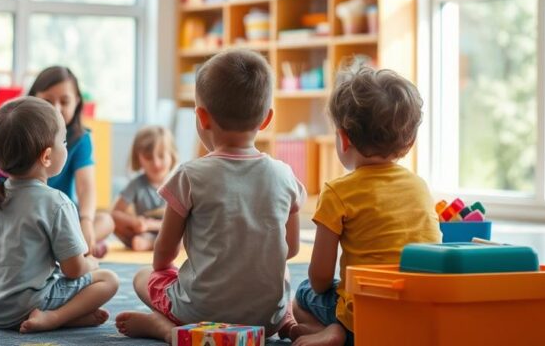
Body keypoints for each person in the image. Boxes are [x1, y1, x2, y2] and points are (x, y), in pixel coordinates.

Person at [116, 49, 305, 342]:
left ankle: (165, 328)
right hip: (265, 319)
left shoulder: (189, 175)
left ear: (202, 117)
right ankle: (288, 321)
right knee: (283, 274)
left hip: (197, 316)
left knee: (144, 276)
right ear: (266, 119)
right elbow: (290, 249)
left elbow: (163, 258)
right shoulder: (285, 175)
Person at [0, 97, 119, 333]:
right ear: (47, 156)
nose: (66, 146)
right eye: (63, 141)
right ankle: (56, 318)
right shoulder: (57, 203)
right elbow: (72, 269)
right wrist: (90, 263)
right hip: (28, 306)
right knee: (107, 279)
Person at [291, 66, 440, 346]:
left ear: (344, 138)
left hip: (363, 314)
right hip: (417, 314)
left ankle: (337, 332)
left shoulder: (337, 192)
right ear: (409, 141)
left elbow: (320, 278)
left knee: (301, 296)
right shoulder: (420, 187)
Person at [29, 66, 114, 257]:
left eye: (64, 101)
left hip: (66, 217)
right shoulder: (24, 135)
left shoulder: (81, 139)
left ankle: (77, 244)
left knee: (106, 220)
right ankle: (77, 248)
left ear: (76, 102)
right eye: (47, 101)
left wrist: (86, 221)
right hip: (29, 215)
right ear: (33, 99)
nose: (56, 109)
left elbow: (86, 186)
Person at [111, 126, 178, 252]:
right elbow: (114, 214)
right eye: (148, 158)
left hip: (172, 234)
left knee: (187, 233)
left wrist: (150, 224)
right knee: (110, 223)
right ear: (138, 158)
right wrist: (135, 222)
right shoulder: (136, 184)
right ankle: (150, 243)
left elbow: (183, 223)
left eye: (161, 156)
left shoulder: (178, 183)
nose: (156, 163)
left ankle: (151, 244)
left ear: (172, 155)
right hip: (144, 234)